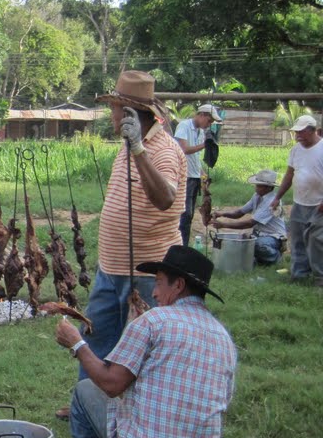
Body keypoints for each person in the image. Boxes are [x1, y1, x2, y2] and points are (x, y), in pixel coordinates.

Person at [56, 245, 237, 438]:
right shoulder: (223, 337)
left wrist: (77, 345)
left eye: (159, 283)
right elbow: (222, 400)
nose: (153, 292)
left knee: (84, 392)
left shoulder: (154, 321)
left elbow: (111, 384)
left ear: (178, 286)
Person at [55, 71, 186, 420]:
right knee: (94, 338)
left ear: (130, 113)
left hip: (146, 272)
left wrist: (140, 150)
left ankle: (137, 414)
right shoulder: (127, 147)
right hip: (110, 269)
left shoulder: (163, 151)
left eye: (115, 109)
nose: (110, 116)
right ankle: (87, 402)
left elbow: (165, 198)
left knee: (141, 350)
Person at [270, 115, 323, 283]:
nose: (297, 135)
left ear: (312, 130)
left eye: (301, 132)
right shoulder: (296, 150)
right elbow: (289, 174)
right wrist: (277, 196)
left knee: (316, 241)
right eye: (296, 132)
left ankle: (320, 278)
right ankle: (299, 275)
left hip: (319, 204)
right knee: (297, 239)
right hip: (299, 203)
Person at [210, 169, 287, 265]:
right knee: (244, 243)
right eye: (256, 185)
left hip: (273, 237)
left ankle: (276, 258)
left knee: (257, 245)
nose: (256, 188)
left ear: (268, 188)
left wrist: (223, 224)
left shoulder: (271, 202)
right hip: (258, 234)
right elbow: (239, 213)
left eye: (259, 186)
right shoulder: (257, 196)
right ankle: (261, 259)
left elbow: (250, 223)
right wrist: (221, 214)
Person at [174, 104, 223, 246]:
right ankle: (180, 245)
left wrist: (202, 174)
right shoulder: (184, 126)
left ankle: (183, 245)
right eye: (209, 120)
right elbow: (183, 149)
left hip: (195, 177)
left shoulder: (200, 132)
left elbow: (195, 157)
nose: (210, 124)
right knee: (186, 213)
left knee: (190, 215)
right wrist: (205, 145)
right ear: (201, 115)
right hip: (185, 176)